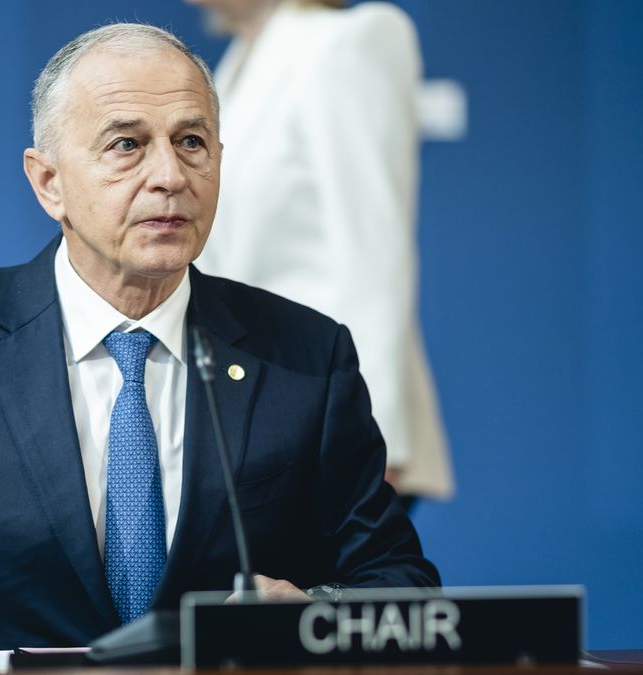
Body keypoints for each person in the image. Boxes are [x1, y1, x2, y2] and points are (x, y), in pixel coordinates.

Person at [0, 23, 439, 651]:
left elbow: (401, 588)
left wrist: (318, 616)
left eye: (192, 142)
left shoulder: (305, 356)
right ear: (48, 181)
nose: (170, 176)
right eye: (127, 145)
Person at [188, 0, 454, 502]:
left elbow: (373, 248)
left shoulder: (349, 40)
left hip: (329, 417)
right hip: (253, 419)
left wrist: (371, 438)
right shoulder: (234, 66)